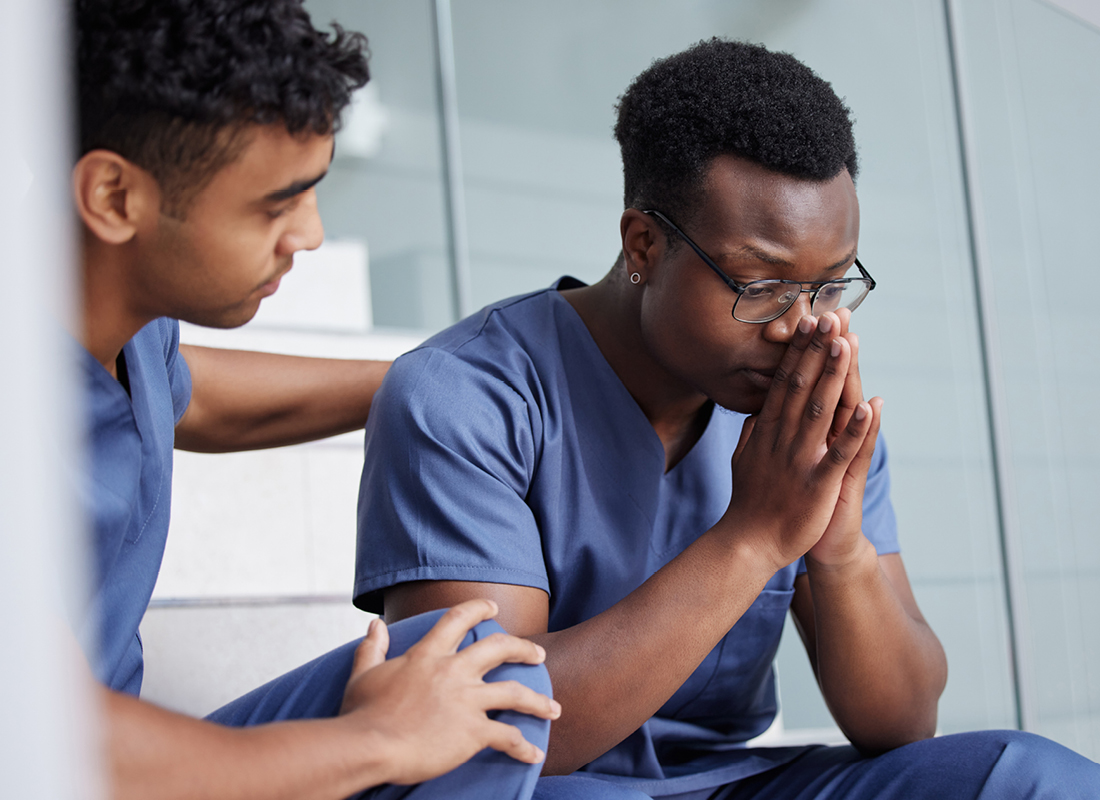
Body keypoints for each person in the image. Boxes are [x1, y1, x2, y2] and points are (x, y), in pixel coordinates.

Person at [354, 39, 1100, 798]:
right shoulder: (462, 396)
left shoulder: (805, 413)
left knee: (1029, 775)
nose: (800, 326)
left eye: (830, 286)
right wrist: (753, 538)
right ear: (643, 243)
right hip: (543, 789)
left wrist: (837, 545)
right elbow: (491, 734)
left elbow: (903, 722)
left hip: (738, 782)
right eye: (764, 285)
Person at [71, 1, 565, 798]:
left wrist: (434, 385)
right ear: (115, 197)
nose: (310, 234)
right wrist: (372, 742)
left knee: (496, 686)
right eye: (276, 203)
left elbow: (194, 396)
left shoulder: (124, 339)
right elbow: (52, 746)